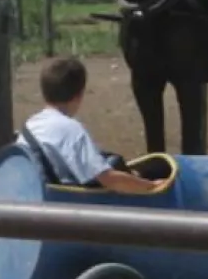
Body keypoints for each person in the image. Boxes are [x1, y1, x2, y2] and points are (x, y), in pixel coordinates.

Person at [22, 57, 162, 192]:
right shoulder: (71, 130)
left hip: (33, 194)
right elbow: (107, 178)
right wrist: (151, 186)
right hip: (63, 204)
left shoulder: (30, 125)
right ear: (79, 95)